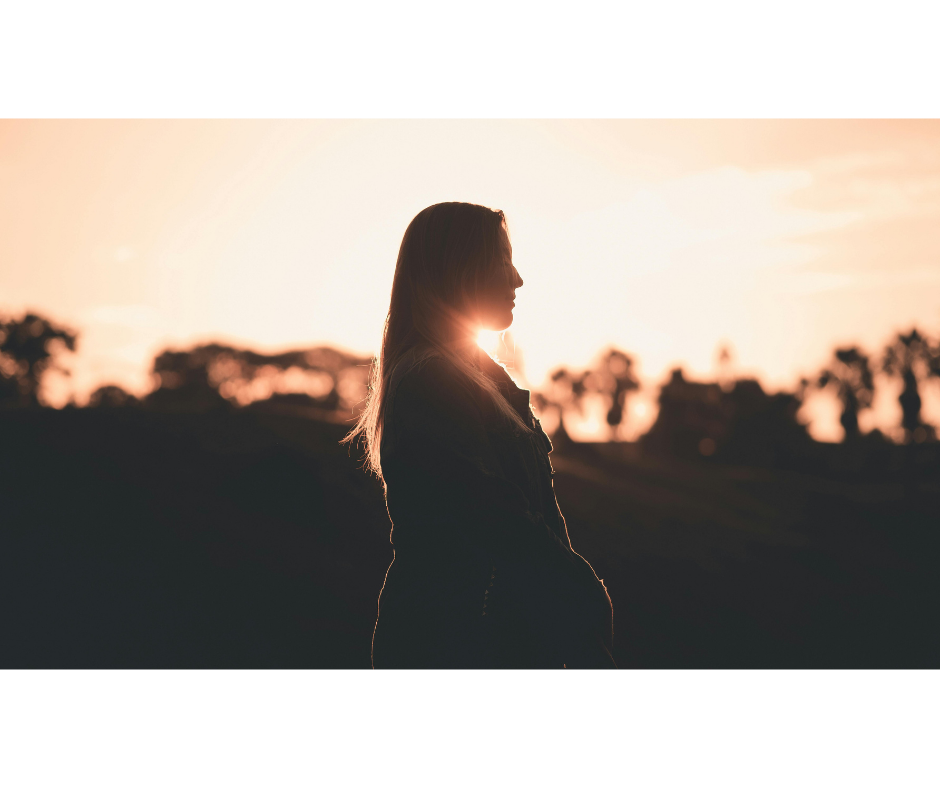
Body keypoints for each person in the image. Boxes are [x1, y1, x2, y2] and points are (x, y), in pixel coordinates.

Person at [344, 202, 615, 669]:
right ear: (459, 269)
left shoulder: (483, 380)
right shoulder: (431, 381)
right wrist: (578, 590)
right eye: (502, 259)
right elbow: (494, 517)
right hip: (458, 641)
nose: (517, 279)